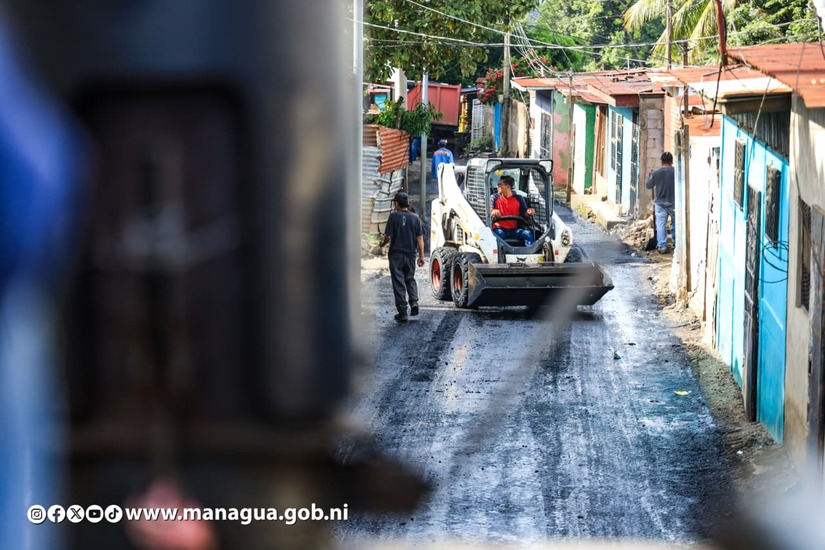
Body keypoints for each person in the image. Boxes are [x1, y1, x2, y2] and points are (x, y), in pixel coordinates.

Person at [379, 192, 425, 321]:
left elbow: (388, 236)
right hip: (410, 254)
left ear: (396, 204)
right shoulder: (415, 218)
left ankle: (403, 312)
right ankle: (414, 302)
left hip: (396, 254)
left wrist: (382, 244)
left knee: (398, 281)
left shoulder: (393, 216)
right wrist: (421, 256)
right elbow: (420, 239)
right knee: (410, 278)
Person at [490, 175, 535, 246]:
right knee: (498, 234)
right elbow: (490, 210)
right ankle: (499, 252)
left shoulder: (519, 198)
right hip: (499, 228)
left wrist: (530, 211)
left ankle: (529, 252)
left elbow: (525, 212)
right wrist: (493, 211)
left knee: (527, 234)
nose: (497, 186)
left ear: (507, 187)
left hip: (514, 229)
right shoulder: (495, 197)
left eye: (499, 185)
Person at [645, 151, 676, 254]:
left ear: (662, 161)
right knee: (675, 223)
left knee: (661, 225)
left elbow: (648, 185)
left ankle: (662, 246)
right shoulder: (676, 172)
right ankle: (676, 243)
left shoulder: (656, 173)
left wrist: (650, 175)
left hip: (660, 203)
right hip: (673, 202)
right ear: (671, 161)